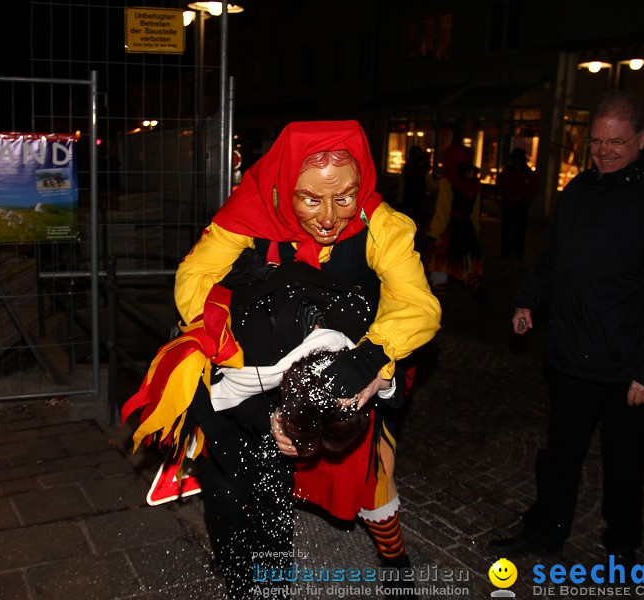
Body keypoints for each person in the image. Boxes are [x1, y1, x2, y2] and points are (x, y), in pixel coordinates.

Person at [123, 120, 441, 599]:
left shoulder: (382, 225)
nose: (331, 217)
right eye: (312, 199)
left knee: (369, 476)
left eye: (345, 197)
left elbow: (418, 305)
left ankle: (395, 560)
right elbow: (194, 279)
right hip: (255, 369)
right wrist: (236, 347)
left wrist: (371, 357)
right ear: (284, 186)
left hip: (351, 359)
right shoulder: (252, 208)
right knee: (244, 493)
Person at [489, 90, 644, 568]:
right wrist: (528, 299)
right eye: (596, 141)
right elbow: (552, 262)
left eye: (617, 142)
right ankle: (546, 531)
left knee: (624, 464)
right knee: (560, 454)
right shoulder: (579, 191)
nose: (603, 150)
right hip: (571, 354)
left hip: (629, 367)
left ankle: (622, 546)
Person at [425, 144, 485, 301]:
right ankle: (477, 288)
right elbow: (475, 212)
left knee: (440, 266)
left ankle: (440, 301)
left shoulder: (448, 181)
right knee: (465, 264)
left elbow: (443, 211)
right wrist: (475, 231)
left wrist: (434, 234)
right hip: (467, 228)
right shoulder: (474, 182)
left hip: (450, 229)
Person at [495, 148, 538, 259]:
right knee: (507, 229)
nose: (516, 162)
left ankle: (517, 252)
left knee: (519, 230)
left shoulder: (527, 173)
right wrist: (507, 195)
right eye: (515, 159)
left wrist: (522, 197)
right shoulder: (508, 171)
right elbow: (501, 184)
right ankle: (507, 251)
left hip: (521, 204)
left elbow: (533, 189)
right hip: (510, 203)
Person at [396, 145, 437, 235]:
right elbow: (432, 187)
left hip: (409, 200)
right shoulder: (423, 169)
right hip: (418, 201)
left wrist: (399, 199)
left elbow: (401, 186)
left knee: (408, 224)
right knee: (418, 225)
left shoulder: (408, 168)